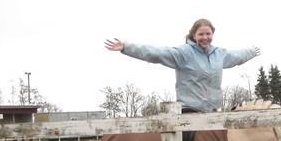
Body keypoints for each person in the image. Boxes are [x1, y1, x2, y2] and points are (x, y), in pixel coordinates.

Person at [104, 18, 260, 114]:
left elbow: (237, 56)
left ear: (212, 34)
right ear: (194, 35)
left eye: (208, 34)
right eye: (201, 34)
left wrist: (252, 51)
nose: (205, 37)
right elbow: (156, 53)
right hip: (189, 111)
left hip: (213, 112)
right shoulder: (184, 53)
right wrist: (126, 47)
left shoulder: (220, 54)